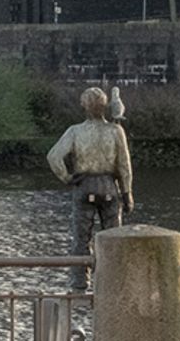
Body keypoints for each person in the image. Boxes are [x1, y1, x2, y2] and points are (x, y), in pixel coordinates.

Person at [46, 87, 133, 290]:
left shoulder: (75, 131)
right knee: (112, 237)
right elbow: (124, 165)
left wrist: (67, 177)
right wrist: (127, 193)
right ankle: (113, 278)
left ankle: (79, 280)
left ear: (84, 106)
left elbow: (53, 156)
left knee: (81, 237)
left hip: (84, 186)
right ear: (105, 106)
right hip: (109, 187)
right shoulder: (115, 130)